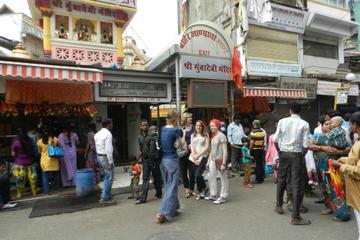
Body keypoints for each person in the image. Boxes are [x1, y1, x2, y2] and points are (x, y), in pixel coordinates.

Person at [273, 102, 311, 225]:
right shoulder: (304, 124)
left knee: (281, 179)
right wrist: (302, 155)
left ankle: (279, 205)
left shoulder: (282, 121)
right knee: (296, 184)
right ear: (300, 111)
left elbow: (275, 140)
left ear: (290, 110)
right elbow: (306, 145)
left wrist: (280, 152)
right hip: (296, 155)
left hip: (284, 154)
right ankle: (295, 216)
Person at [333, 111, 360, 239]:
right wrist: (342, 159)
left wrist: (341, 167)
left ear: (356, 125)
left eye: (350, 124)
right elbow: (354, 158)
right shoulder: (358, 140)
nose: (349, 127)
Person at [156, 111, 184, 224]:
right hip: (172, 159)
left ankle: (174, 208)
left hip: (163, 160)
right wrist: (182, 135)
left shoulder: (163, 129)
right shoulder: (175, 130)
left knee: (168, 184)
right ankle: (163, 212)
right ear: (175, 118)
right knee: (172, 186)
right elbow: (182, 144)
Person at [136, 124, 162, 204]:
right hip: (146, 160)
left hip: (154, 161)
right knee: (145, 178)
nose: (145, 127)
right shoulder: (140, 137)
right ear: (140, 127)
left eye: (146, 125)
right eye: (143, 125)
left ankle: (159, 193)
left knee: (156, 178)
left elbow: (158, 149)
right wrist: (138, 158)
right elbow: (141, 149)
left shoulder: (154, 138)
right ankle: (143, 198)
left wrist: (157, 159)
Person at [206, 119, 229, 204]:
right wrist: (208, 161)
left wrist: (223, 163)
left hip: (220, 159)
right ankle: (213, 194)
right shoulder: (213, 136)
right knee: (211, 176)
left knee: (223, 178)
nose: (211, 127)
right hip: (213, 159)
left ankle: (223, 196)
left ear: (217, 126)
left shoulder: (221, 136)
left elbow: (225, 150)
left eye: (213, 126)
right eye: (210, 126)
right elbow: (212, 150)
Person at [11, 128, 37, 198]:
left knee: (20, 179)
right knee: (33, 178)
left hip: (19, 164)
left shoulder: (16, 142)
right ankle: (34, 191)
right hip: (30, 162)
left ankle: (20, 194)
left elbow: (13, 154)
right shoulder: (30, 140)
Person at [94, 119, 115, 204]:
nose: (112, 125)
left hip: (99, 156)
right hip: (105, 157)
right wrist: (110, 161)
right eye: (111, 124)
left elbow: (97, 147)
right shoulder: (108, 134)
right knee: (109, 177)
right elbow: (108, 149)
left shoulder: (97, 134)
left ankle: (108, 194)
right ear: (108, 124)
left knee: (107, 175)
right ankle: (105, 197)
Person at [189, 120, 210, 200]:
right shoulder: (192, 135)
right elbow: (192, 146)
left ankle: (203, 187)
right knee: (196, 176)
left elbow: (207, 147)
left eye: (200, 125)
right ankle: (201, 191)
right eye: (197, 125)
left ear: (202, 127)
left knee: (198, 175)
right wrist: (194, 156)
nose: (198, 127)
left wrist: (199, 155)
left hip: (203, 157)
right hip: (194, 157)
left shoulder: (206, 135)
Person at [37, 127, 61, 195]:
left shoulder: (39, 141)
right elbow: (59, 147)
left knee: (45, 176)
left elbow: (39, 152)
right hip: (54, 160)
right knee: (56, 174)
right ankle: (57, 189)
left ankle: (46, 192)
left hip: (45, 161)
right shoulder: (55, 139)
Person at [59, 123, 79, 187]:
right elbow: (77, 142)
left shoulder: (61, 135)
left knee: (65, 168)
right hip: (73, 152)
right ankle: (74, 182)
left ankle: (66, 183)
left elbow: (59, 144)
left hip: (64, 153)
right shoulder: (74, 134)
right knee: (73, 167)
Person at [180, 112, 195, 198]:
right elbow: (178, 141)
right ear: (185, 118)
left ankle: (192, 189)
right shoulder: (180, 129)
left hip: (191, 153)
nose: (191, 119)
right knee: (183, 172)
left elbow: (197, 138)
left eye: (191, 117)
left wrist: (192, 145)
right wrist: (184, 133)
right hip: (182, 154)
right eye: (189, 117)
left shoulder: (194, 128)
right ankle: (186, 189)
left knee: (192, 172)